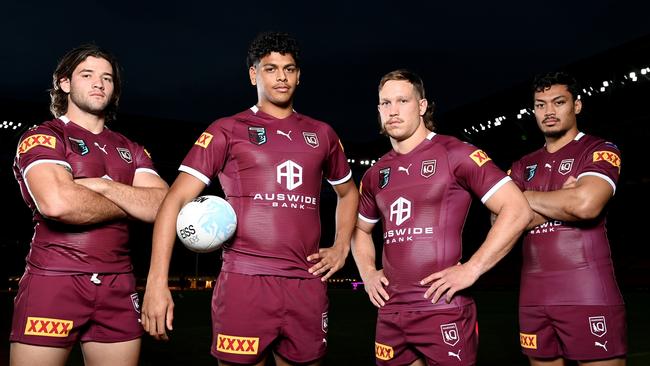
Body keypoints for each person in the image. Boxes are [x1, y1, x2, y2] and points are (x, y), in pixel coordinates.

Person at [141, 31, 359, 366]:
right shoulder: (227, 130)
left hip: (306, 283)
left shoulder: (322, 134)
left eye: (289, 68)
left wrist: (342, 244)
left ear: (299, 75)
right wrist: (157, 282)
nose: (281, 76)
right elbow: (174, 200)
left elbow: (347, 192)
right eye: (270, 68)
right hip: (246, 282)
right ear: (253, 74)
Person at [351, 69, 533, 366]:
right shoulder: (374, 174)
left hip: (443, 309)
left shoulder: (455, 153)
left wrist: (472, 268)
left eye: (402, 101)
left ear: (422, 106)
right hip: (391, 313)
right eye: (385, 103)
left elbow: (518, 209)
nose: (392, 111)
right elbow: (360, 230)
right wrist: (369, 273)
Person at [10, 44, 169, 366]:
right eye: (87, 75)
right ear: (65, 83)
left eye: (107, 78)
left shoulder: (130, 148)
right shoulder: (45, 136)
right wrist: (133, 202)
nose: (99, 83)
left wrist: (102, 185)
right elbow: (58, 204)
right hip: (54, 280)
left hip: (119, 283)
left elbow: (164, 206)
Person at [509, 71, 626, 366]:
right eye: (540, 105)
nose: (548, 112)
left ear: (577, 105)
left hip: (587, 292)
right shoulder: (522, 165)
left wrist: (525, 199)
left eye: (558, 102)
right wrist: (563, 197)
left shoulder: (599, 149)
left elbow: (585, 205)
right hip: (532, 297)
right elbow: (500, 221)